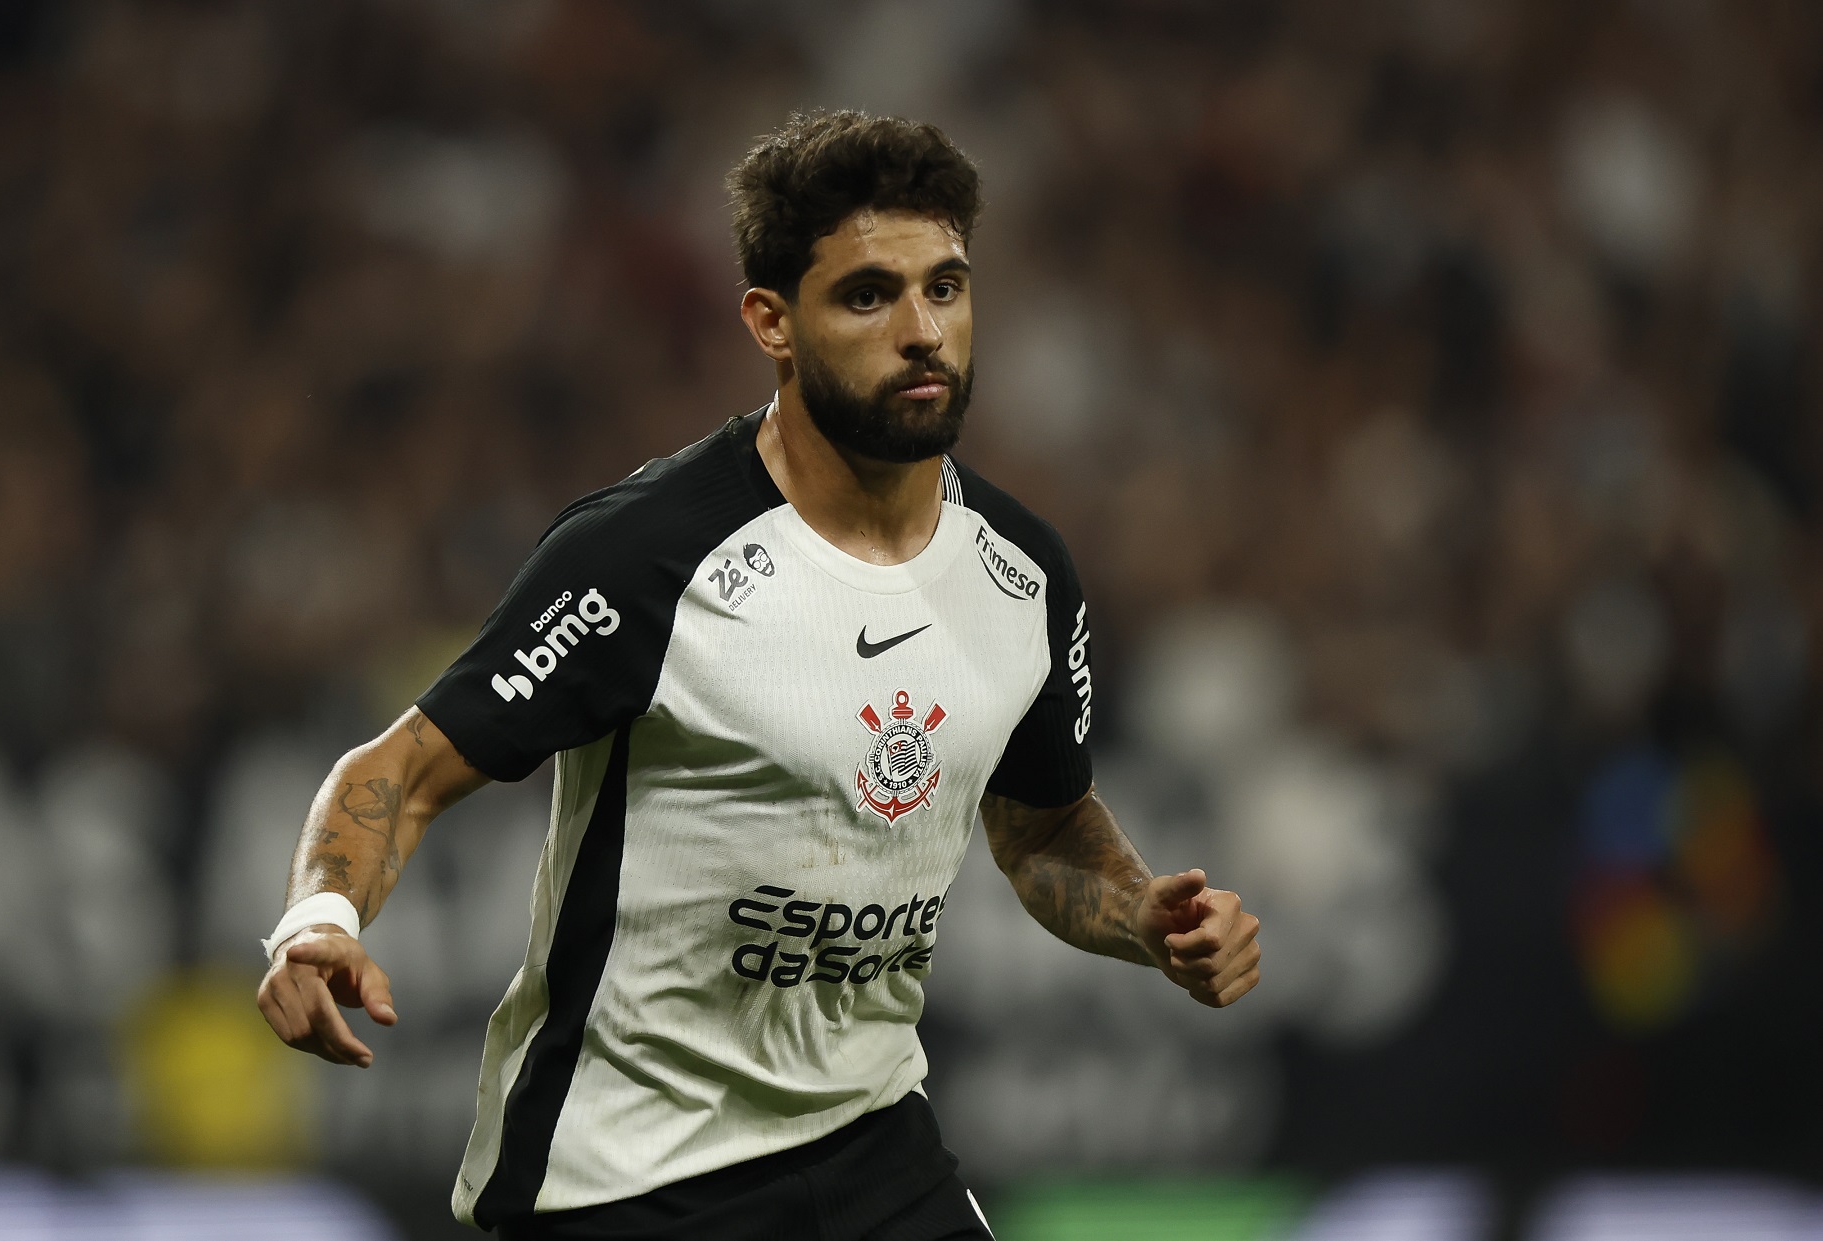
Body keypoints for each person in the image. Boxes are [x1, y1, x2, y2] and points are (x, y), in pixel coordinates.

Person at [256, 110, 1262, 1240]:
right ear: (770, 322)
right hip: (627, 1173)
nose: (922, 331)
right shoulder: (646, 555)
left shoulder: (1023, 576)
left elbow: (1043, 827)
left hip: (872, 1139)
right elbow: (400, 770)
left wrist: (1146, 917)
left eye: (945, 286)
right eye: (869, 296)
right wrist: (318, 918)